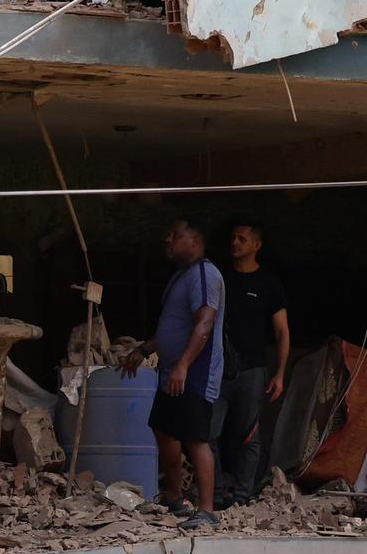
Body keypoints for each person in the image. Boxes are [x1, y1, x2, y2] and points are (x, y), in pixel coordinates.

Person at [121, 217, 224, 530]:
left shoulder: (206, 274)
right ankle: (174, 497)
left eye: (175, 235)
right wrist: (144, 349)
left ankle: (207, 511)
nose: (168, 240)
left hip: (193, 371)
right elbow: (173, 325)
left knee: (196, 437)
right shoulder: (183, 276)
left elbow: (204, 322)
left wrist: (183, 365)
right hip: (172, 369)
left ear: (194, 240)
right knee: (163, 428)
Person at [214, 221, 291, 508]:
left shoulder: (269, 284)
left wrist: (280, 373)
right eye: (232, 237)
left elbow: (282, 331)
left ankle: (242, 497)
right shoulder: (220, 279)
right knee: (209, 433)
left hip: (252, 370)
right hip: (217, 369)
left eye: (242, 239)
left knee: (248, 435)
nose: (234, 242)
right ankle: (217, 494)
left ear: (256, 245)